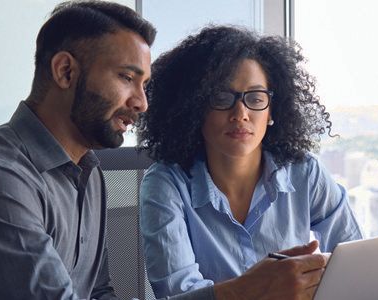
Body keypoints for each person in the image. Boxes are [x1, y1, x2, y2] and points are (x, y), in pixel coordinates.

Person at [0, 2, 327, 299]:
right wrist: (245, 293)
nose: (142, 102)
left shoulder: (85, 169)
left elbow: (99, 292)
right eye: (127, 78)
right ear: (65, 71)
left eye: (144, 85)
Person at [137, 25, 363, 298]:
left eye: (255, 98)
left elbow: (355, 260)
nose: (241, 113)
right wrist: (258, 288)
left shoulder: (305, 172)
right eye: (222, 97)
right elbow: (177, 293)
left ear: (271, 111)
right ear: (195, 108)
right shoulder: (165, 184)